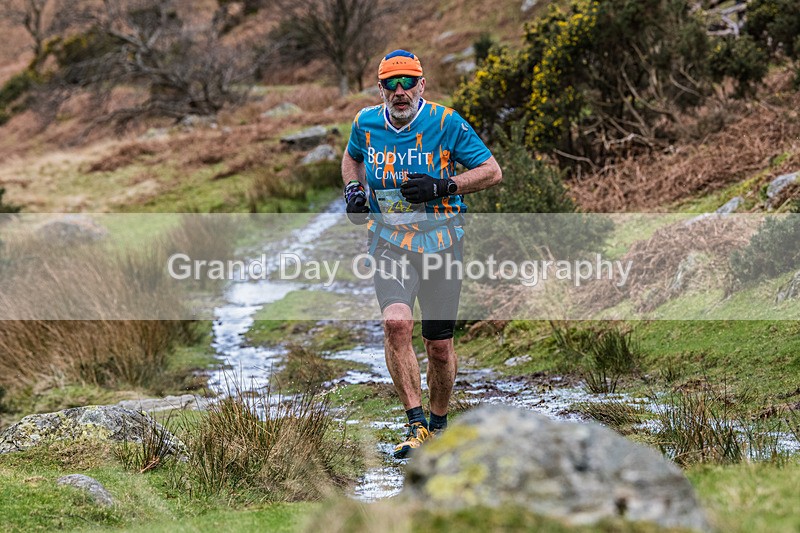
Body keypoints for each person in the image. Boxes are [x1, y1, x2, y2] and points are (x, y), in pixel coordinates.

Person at [341, 49, 502, 458]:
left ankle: (439, 422)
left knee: (439, 347)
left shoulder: (446, 123)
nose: (399, 91)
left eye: (407, 82)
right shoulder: (365, 122)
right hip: (389, 243)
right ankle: (416, 426)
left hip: (442, 243)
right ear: (379, 89)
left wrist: (442, 186)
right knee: (396, 324)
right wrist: (354, 192)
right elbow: (352, 158)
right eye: (391, 84)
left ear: (422, 85)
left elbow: (491, 171)